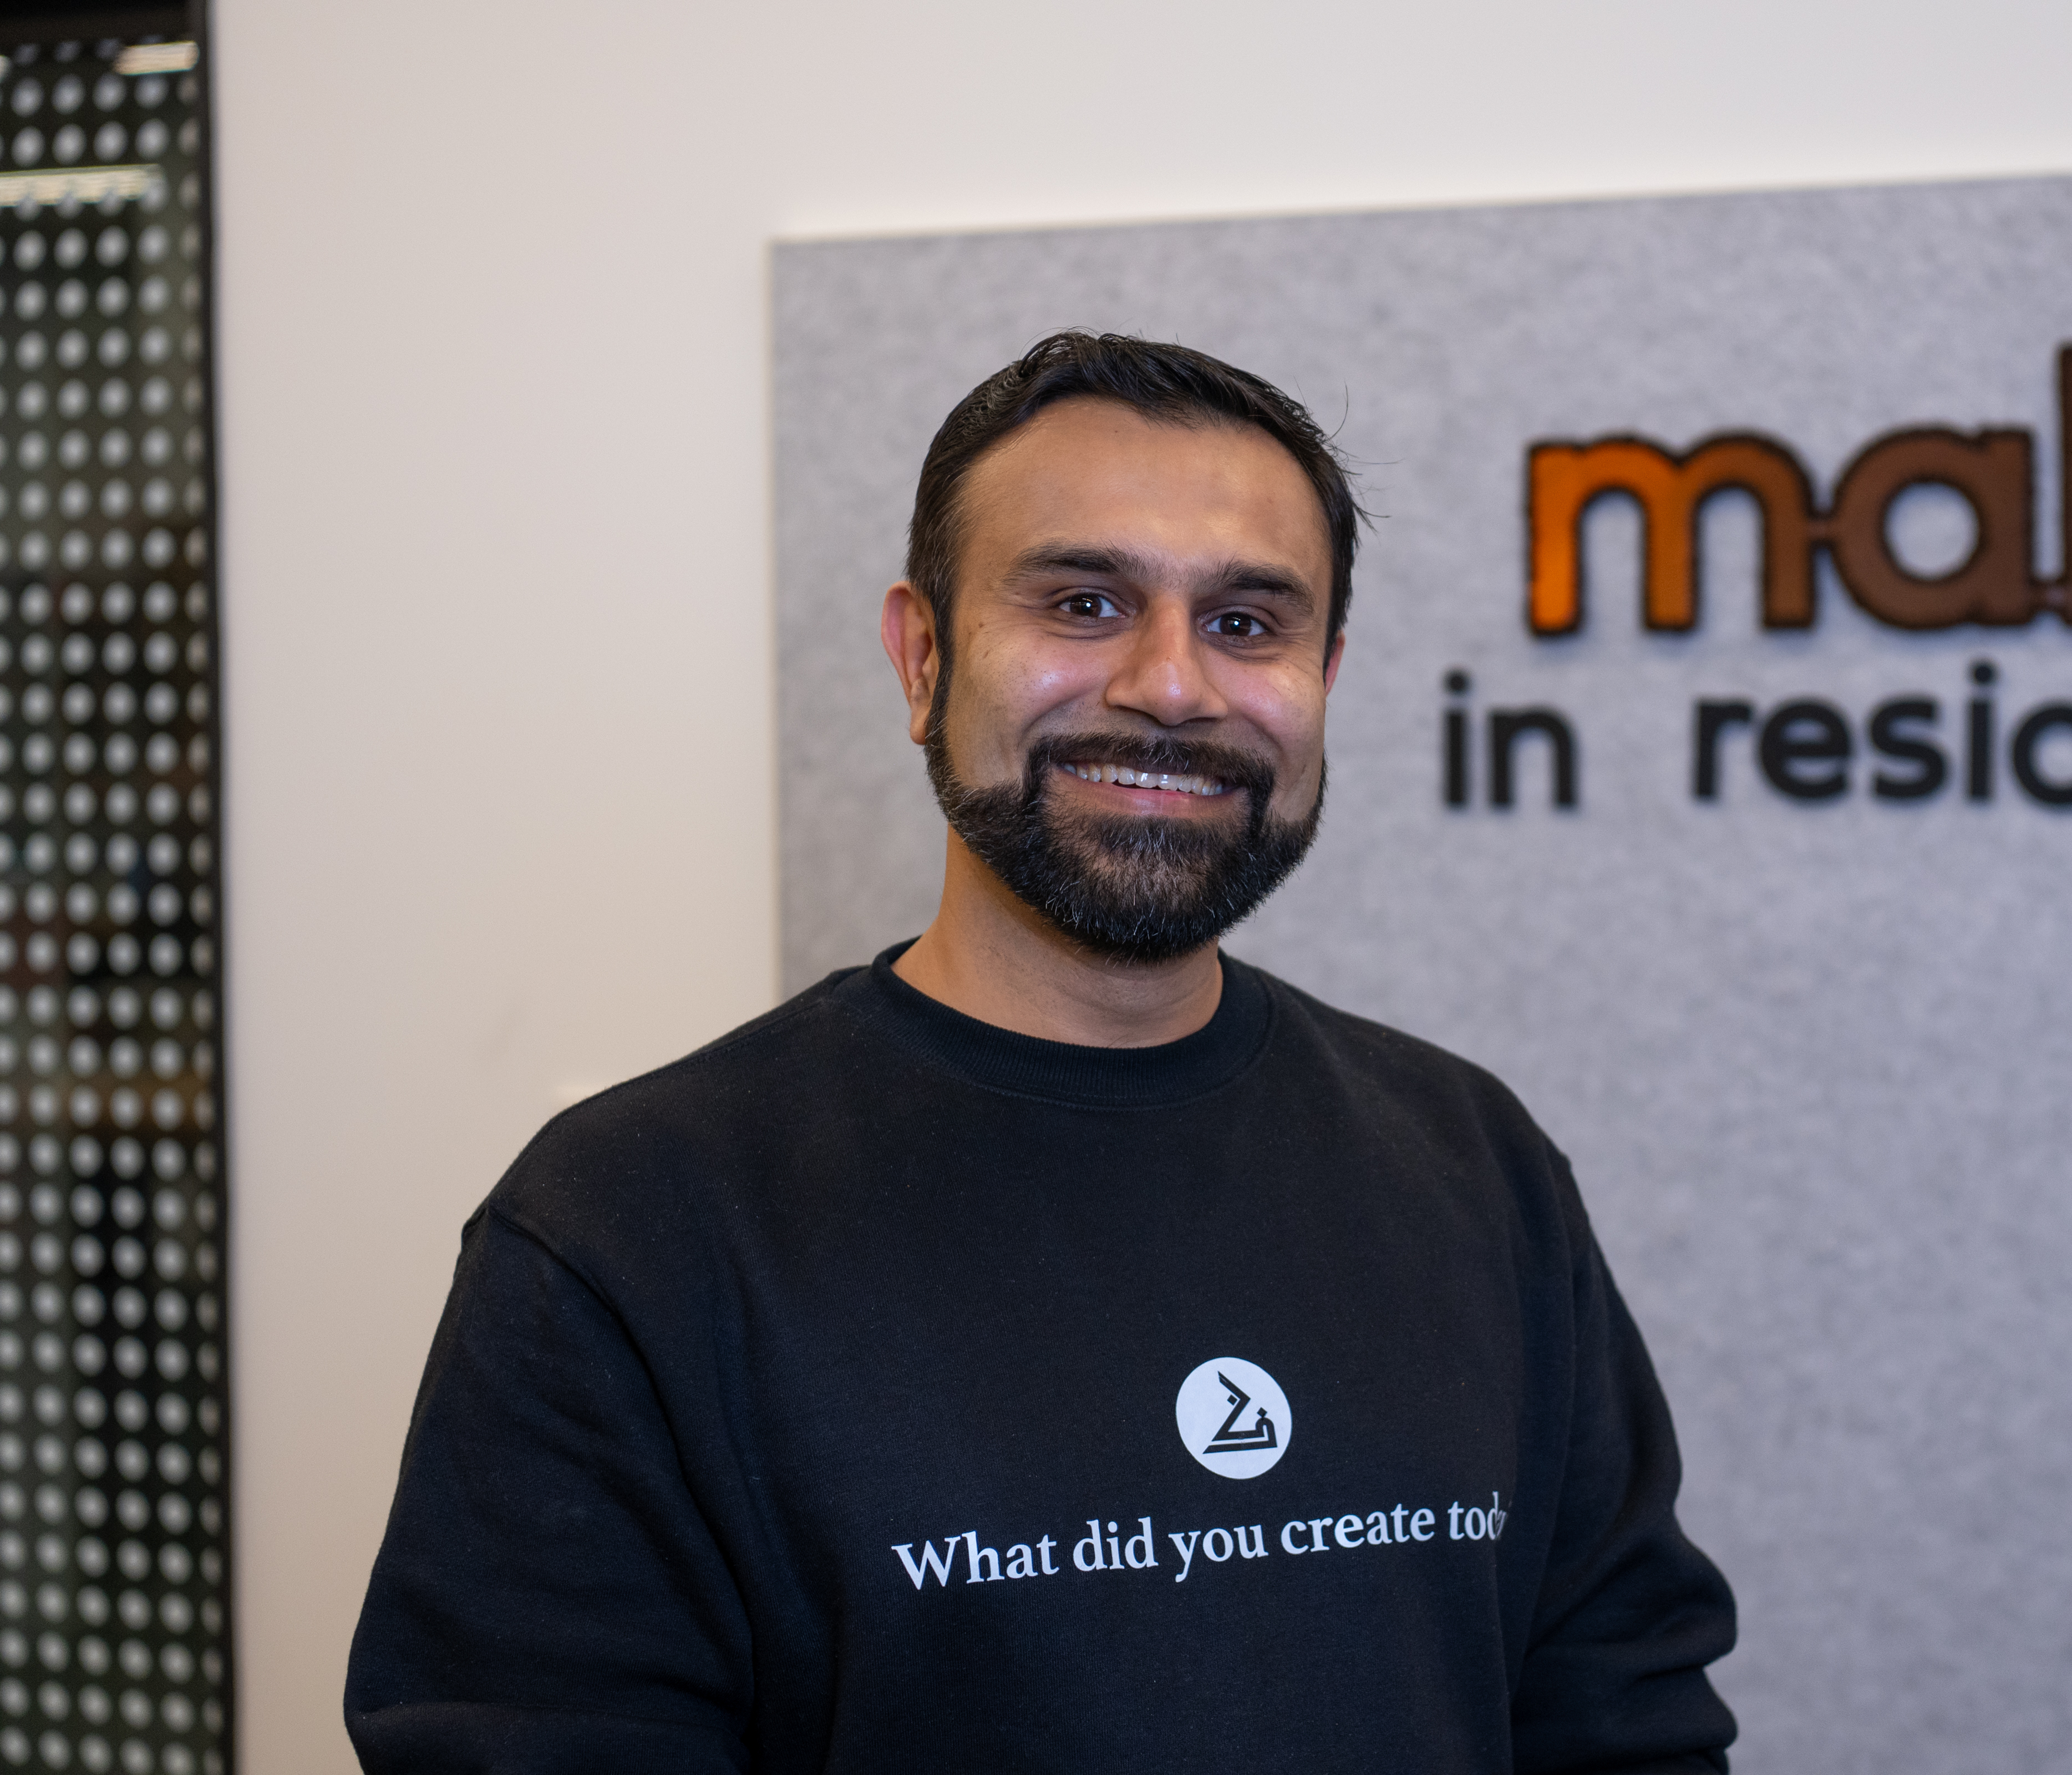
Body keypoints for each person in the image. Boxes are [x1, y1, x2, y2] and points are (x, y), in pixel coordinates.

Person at [344, 332, 1738, 1772]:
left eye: (1249, 625)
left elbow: (1626, 1723)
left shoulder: (1475, 1166)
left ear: (1327, 677)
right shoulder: (633, 1226)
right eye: (1086, 602)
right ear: (923, 653)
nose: (1174, 686)